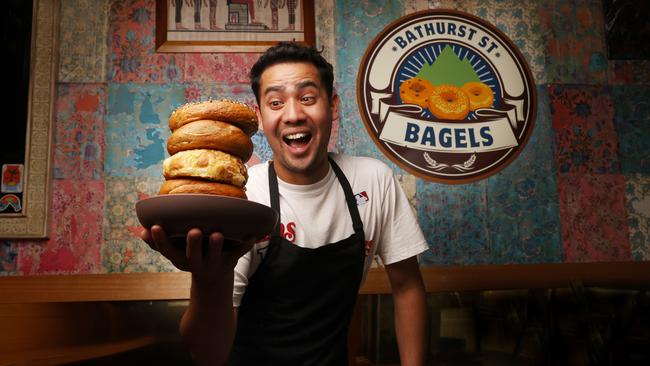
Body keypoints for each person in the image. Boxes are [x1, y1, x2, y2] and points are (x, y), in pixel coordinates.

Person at [141, 41, 429, 366]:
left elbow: (407, 288)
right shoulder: (241, 200)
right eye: (276, 102)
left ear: (332, 106)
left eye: (307, 98)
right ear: (259, 117)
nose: (293, 115)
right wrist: (209, 282)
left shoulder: (373, 181)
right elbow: (208, 355)